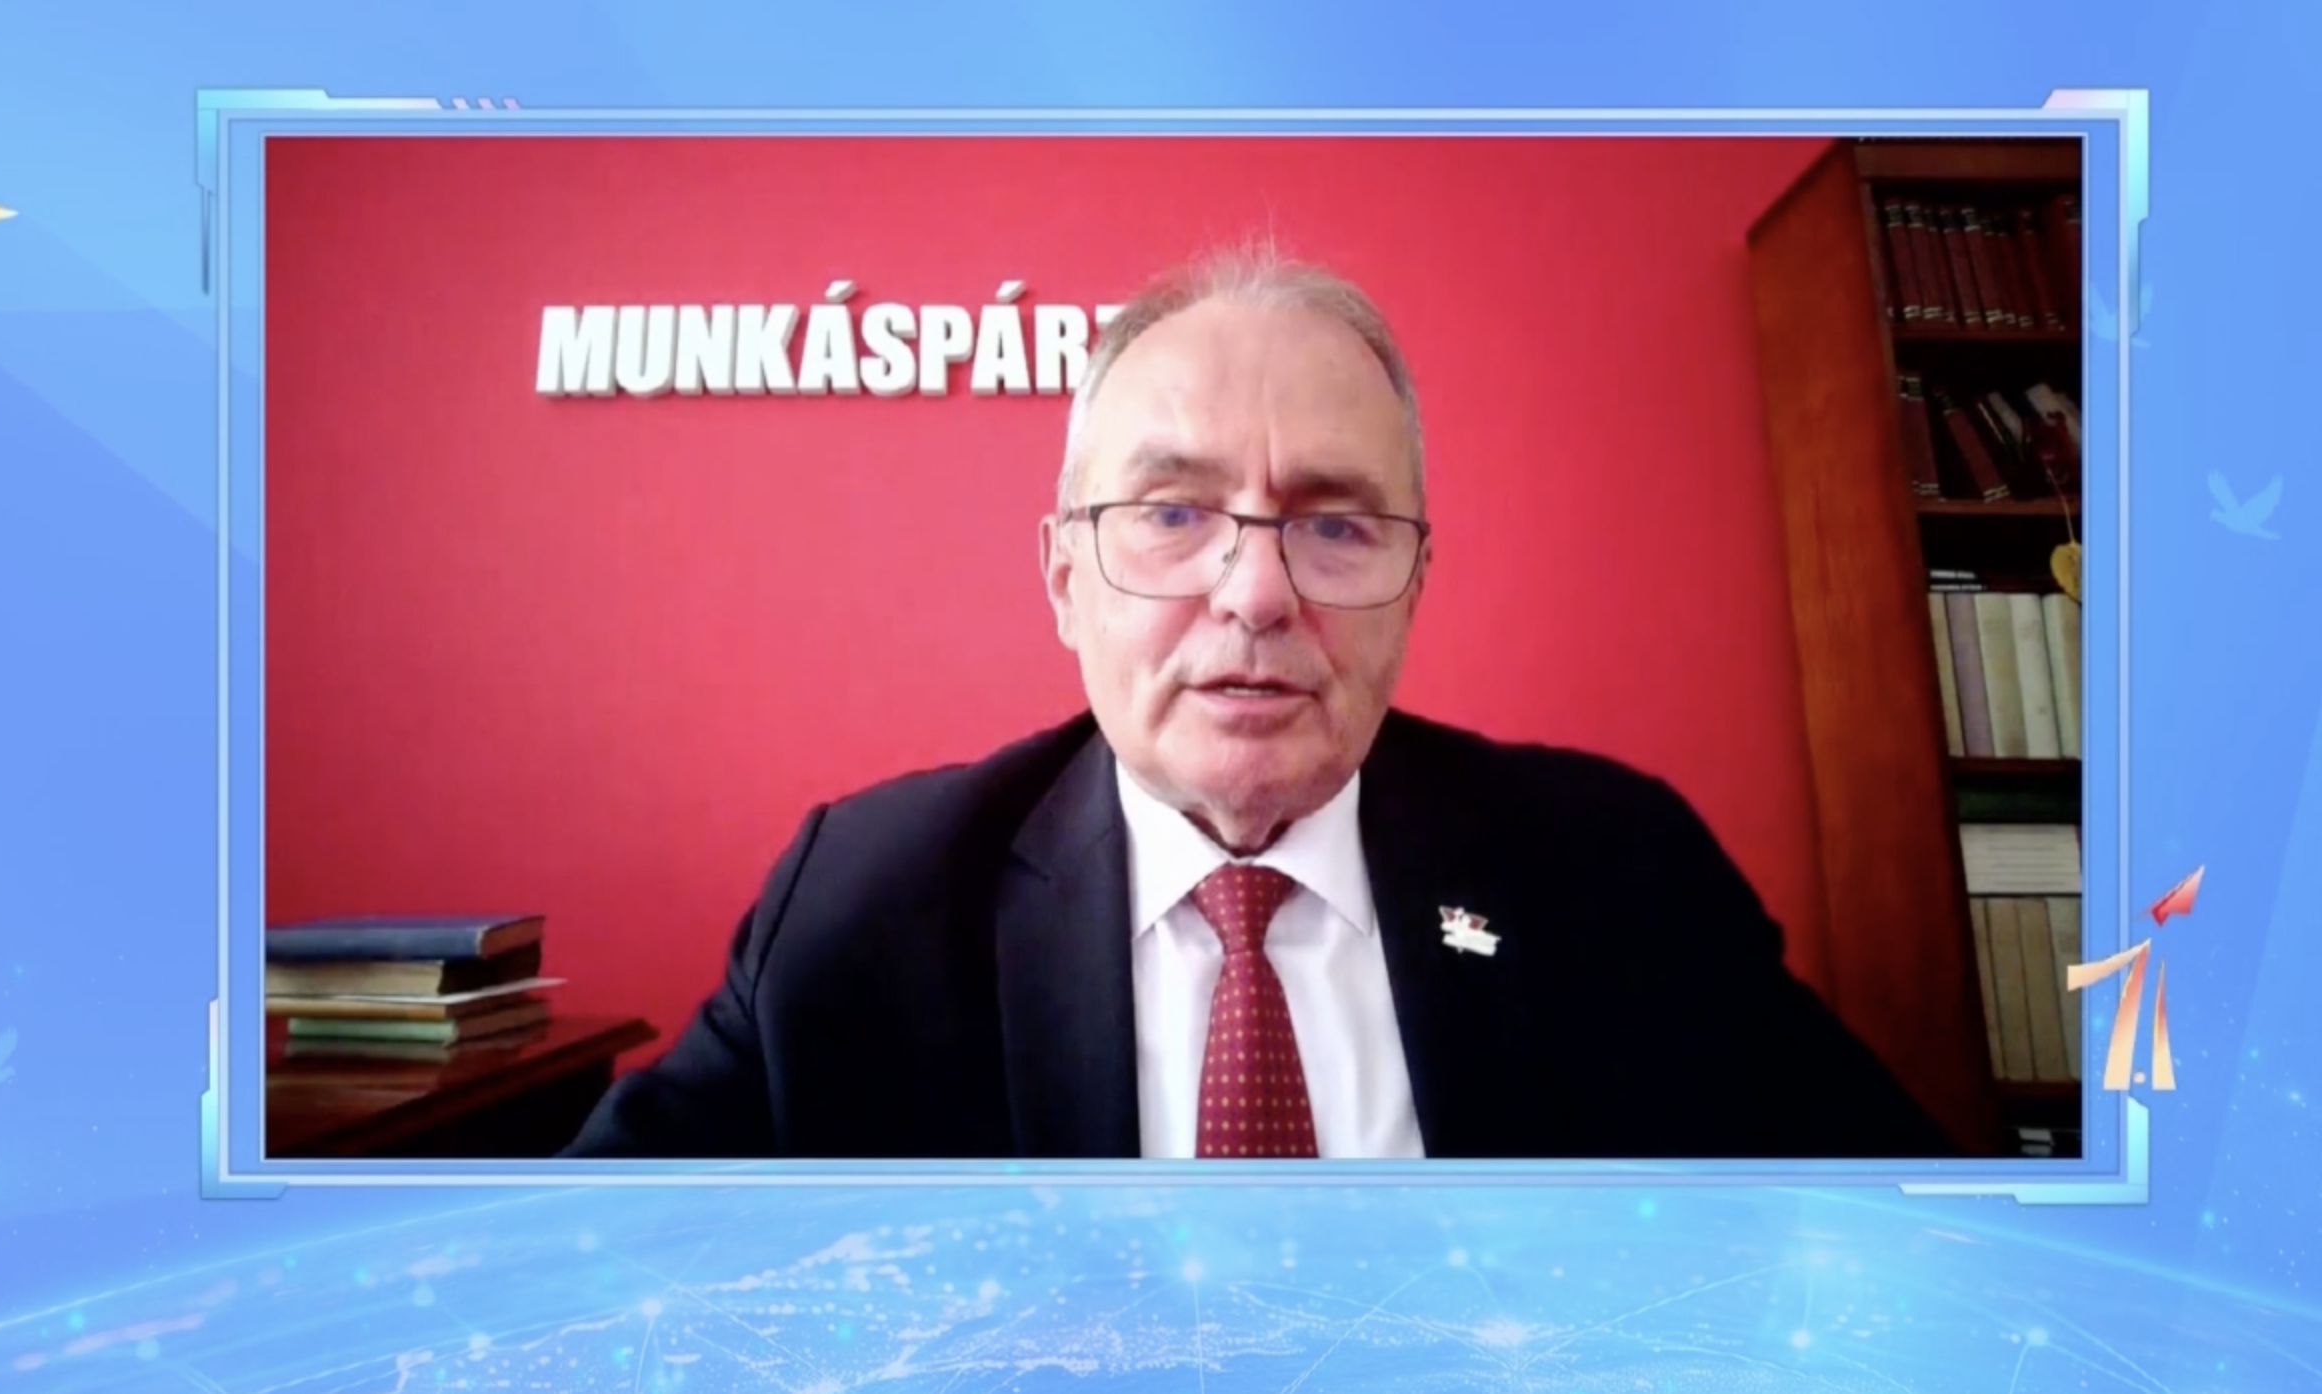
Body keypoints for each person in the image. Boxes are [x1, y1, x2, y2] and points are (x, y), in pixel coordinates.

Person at [561, 243, 1955, 1161]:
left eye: (1336, 526)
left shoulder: (1622, 876)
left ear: (1415, 584)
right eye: (1173, 512)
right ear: (1064, 578)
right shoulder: (861, 907)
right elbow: (560, 1285)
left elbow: (1923, 1248)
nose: (1255, 593)